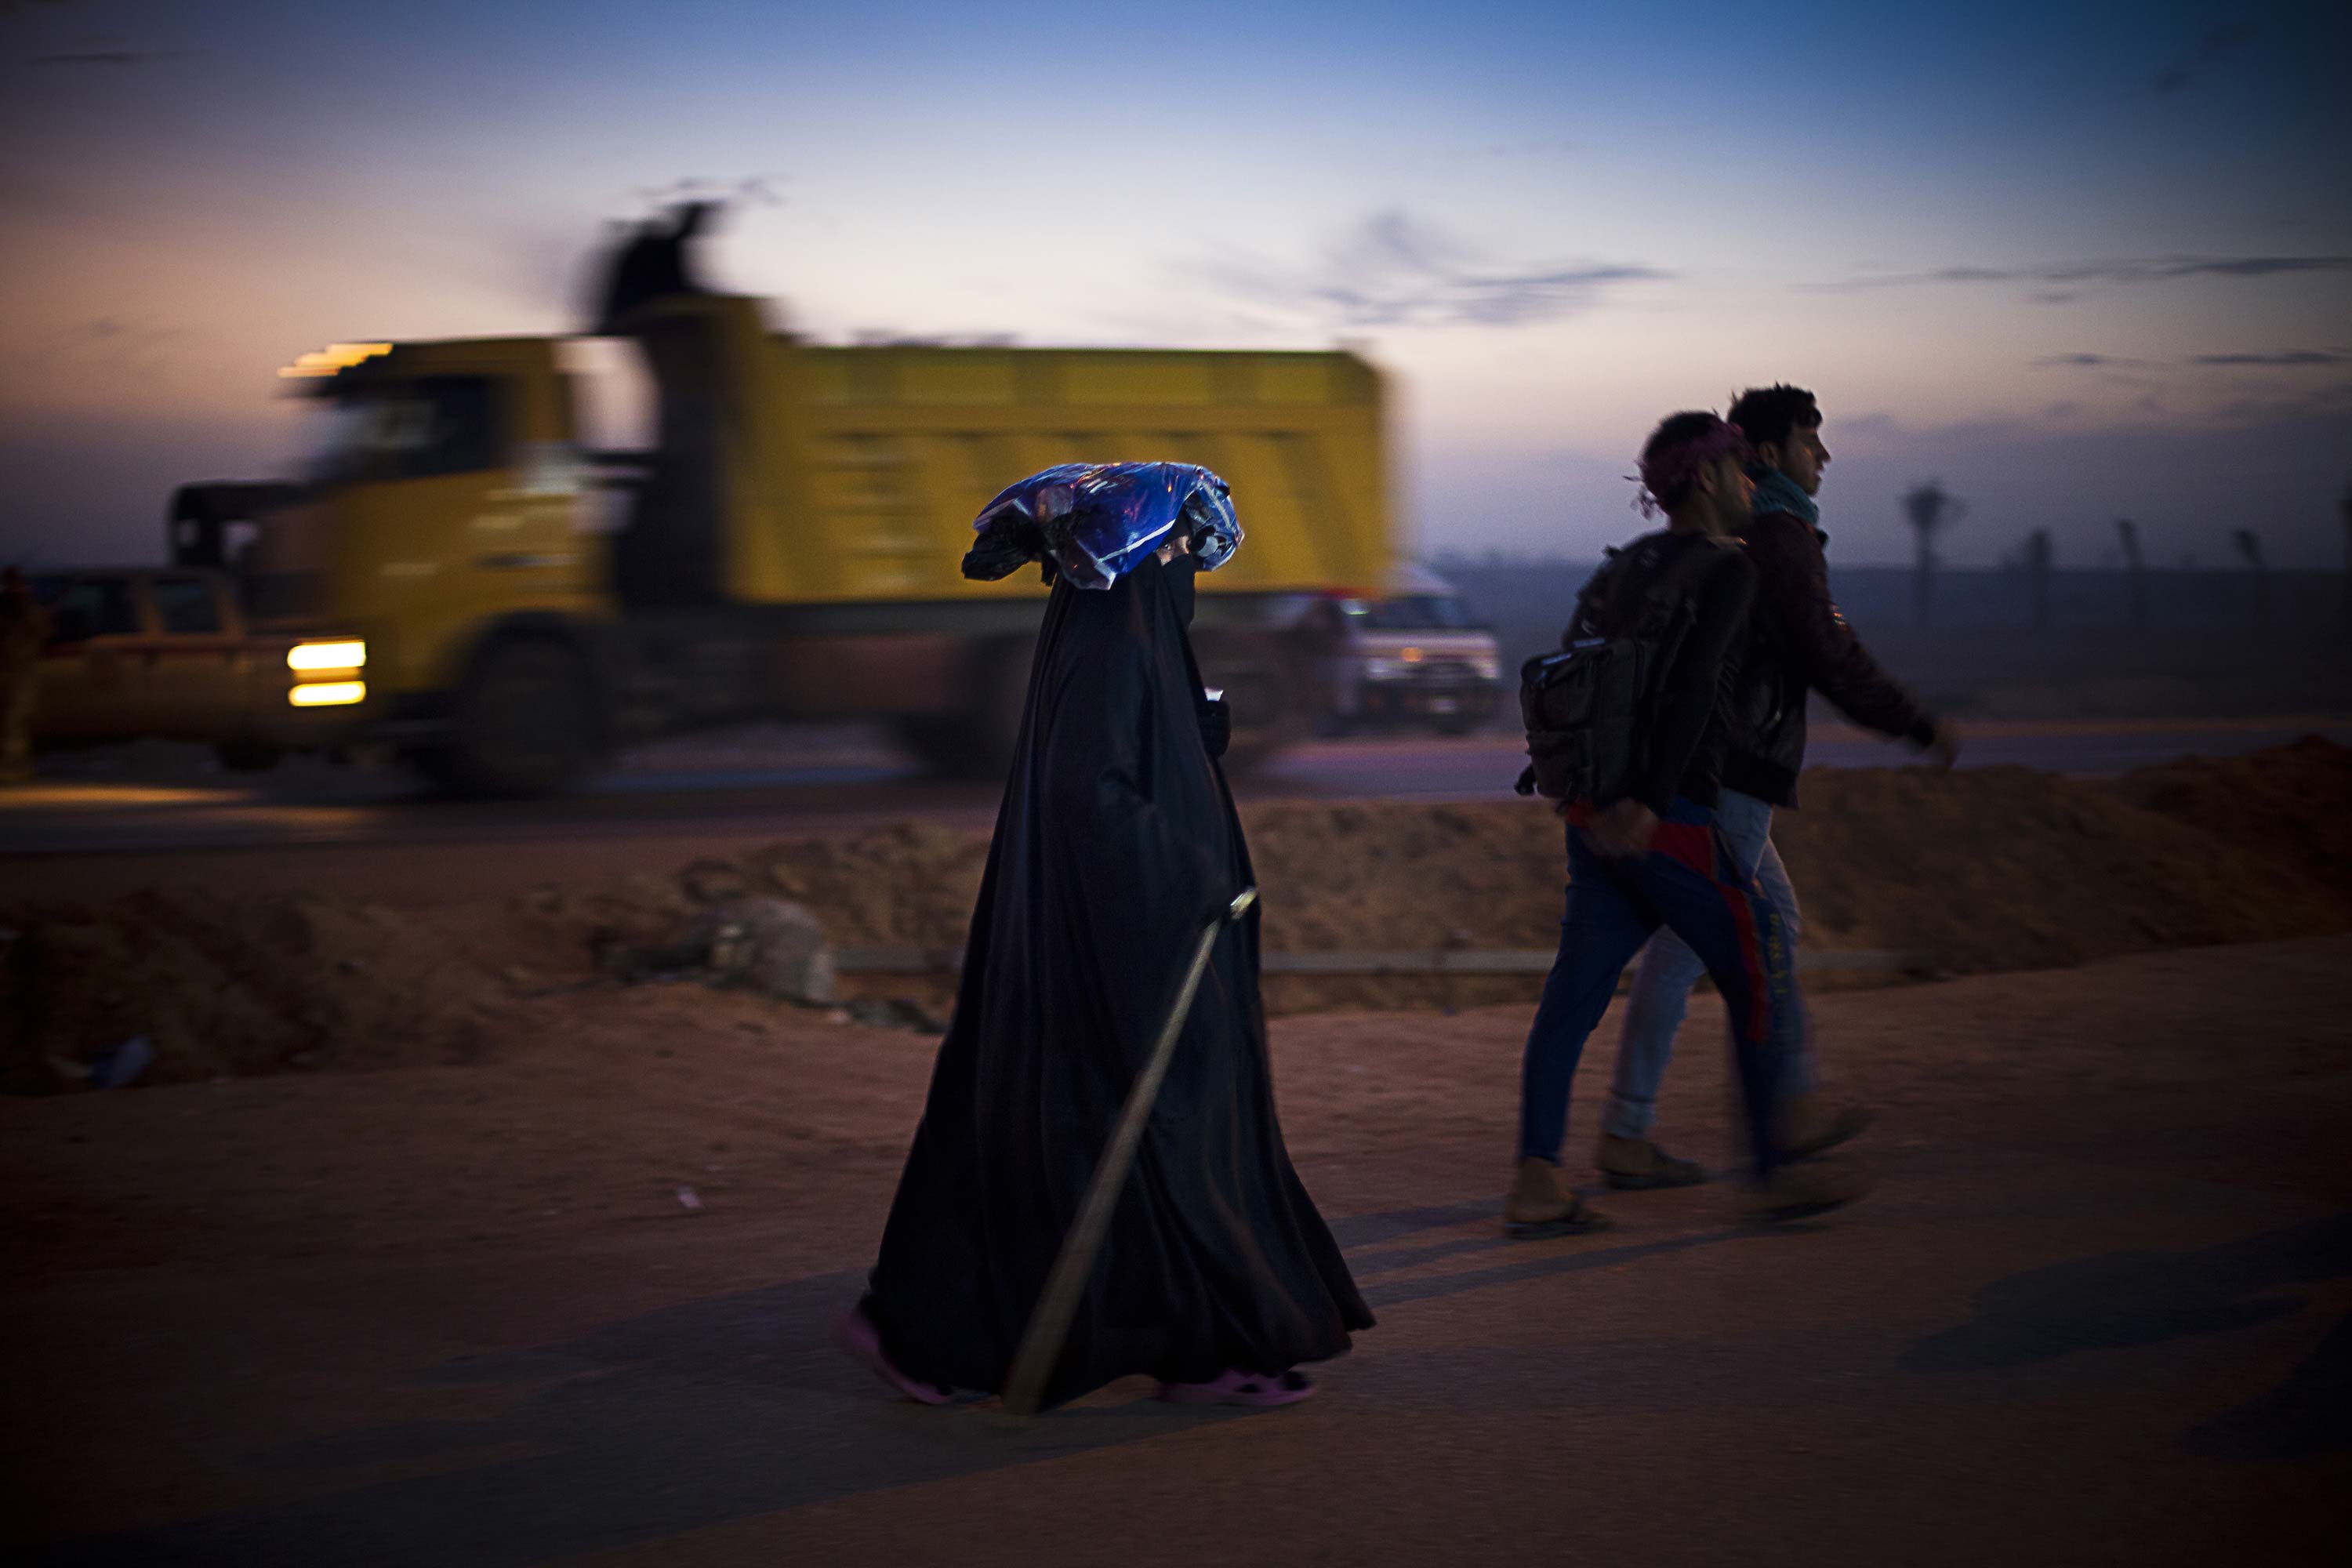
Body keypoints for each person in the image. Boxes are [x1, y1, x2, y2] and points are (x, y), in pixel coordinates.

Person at [839, 463, 1371, 1410]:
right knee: (1125, 1133)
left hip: (1150, 939)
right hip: (1122, 944)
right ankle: (923, 1331)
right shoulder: (1116, 638)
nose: (1185, 567)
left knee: (1173, 1135)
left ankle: (1204, 1343)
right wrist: (1190, 871)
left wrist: (1193, 739)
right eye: (1177, 549)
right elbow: (1091, 787)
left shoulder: (1120, 635)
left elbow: (1135, 752)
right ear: (1138, 553)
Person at [1593, 386, 1960, 1192]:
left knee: (1751, 927)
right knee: (1700, 943)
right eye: (1808, 440)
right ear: (1766, 453)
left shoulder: (1742, 534)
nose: (1823, 455)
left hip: (1721, 765)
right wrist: (1915, 722)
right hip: (1735, 767)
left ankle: (1743, 1110)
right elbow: (1828, 652)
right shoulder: (1778, 538)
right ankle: (1746, 1127)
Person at [1508, 414, 1864, 1235]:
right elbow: (1695, 690)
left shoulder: (1621, 567)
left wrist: (1594, 800)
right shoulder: (1726, 569)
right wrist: (1652, 801)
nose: (1751, 484)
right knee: (1760, 955)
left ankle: (1536, 1181)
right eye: (1739, 470)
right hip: (1665, 819)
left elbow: (1572, 681)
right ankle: (1774, 1171)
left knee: (1572, 998)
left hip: (1592, 813)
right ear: (1705, 480)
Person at [0, 567, 49, 786]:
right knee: (12, 726)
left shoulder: (29, 612)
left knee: (15, 725)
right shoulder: (8, 611)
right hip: (12, 675)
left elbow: (42, 634)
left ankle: (14, 771)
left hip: (21, 676)